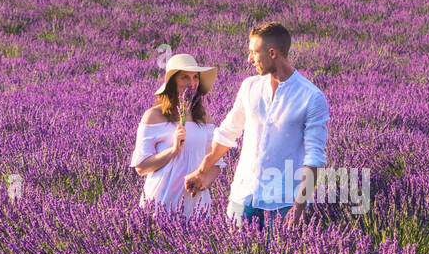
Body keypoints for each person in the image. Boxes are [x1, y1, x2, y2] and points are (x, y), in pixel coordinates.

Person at [184, 22, 328, 234]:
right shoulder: (249, 87)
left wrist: (299, 207)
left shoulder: (311, 97)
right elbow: (228, 132)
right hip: (244, 196)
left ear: (272, 53)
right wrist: (201, 171)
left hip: (284, 202)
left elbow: (314, 158)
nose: (249, 59)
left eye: (254, 53)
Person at [130, 53, 224, 218]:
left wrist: (203, 182)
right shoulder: (153, 116)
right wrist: (173, 150)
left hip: (196, 203)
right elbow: (141, 167)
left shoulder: (204, 118)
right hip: (161, 200)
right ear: (172, 82)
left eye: (195, 77)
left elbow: (215, 162)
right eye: (185, 77)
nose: (192, 83)